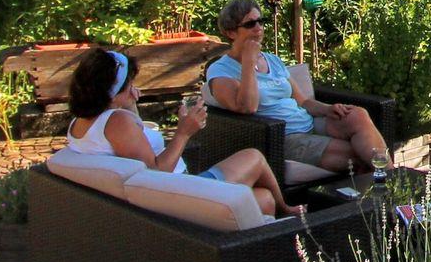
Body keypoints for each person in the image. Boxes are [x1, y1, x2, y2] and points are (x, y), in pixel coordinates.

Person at [64, 47, 300, 219]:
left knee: (263, 198)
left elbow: (133, 144)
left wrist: (129, 105)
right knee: (255, 162)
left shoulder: (82, 121)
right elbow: (153, 175)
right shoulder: (117, 121)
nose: (133, 88)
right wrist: (184, 133)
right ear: (113, 92)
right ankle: (287, 213)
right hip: (180, 196)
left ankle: (282, 216)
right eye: (129, 85)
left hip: (170, 193)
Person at [206, 0, 390, 174]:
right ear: (231, 32)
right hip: (282, 137)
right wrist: (248, 63)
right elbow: (247, 107)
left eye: (261, 21)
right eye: (250, 24)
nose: (258, 28)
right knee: (363, 154)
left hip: (308, 123)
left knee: (358, 115)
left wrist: (328, 109)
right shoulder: (221, 70)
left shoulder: (272, 60)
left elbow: (302, 101)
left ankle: (392, 177)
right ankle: (391, 181)